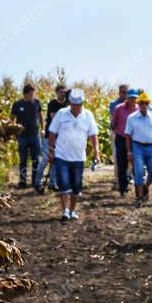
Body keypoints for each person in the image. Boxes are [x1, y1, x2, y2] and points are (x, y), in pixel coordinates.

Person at [47, 89, 101, 221]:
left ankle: (72, 210)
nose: (76, 107)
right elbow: (52, 132)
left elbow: (93, 135)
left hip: (78, 157)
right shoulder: (61, 114)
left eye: (78, 105)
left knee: (76, 186)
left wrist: (96, 153)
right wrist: (51, 149)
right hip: (61, 156)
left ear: (82, 103)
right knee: (64, 184)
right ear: (69, 103)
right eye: (73, 104)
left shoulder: (88, 116)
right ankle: (65, 211)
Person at [124, 92, 152, 205]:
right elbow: (128, 136)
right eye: (141, 103)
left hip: (151, 146)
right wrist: (129, 151)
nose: (143, 105)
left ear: (148, 104)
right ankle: (140, 197)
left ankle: (146, 187)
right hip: (137, 146)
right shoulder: (131, 118)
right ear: (138, 104)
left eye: (146, 103)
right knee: (139, 171)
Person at [34, 84, 68, 193]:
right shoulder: (52, 104)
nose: (62, 94)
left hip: (61, 137)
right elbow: (55, 119)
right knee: (45, 159)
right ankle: (37, 182)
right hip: (50, 136)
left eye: (64, 92)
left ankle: (52, 183)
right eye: (60, 92)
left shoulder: (67, 105)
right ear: (57, 93)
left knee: (56, 161)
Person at [9, 83, 43, 189]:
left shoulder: (37, 103)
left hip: (35, 136)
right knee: (23, 160)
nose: (33, 95)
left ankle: (35, 181)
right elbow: (11, 119)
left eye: (34, 93)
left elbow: (40, 116)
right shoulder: (17, 104)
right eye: (32, 93)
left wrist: (43, 129)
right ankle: (23, 181)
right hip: (22, 136)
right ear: (26, 93)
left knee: (36, 159)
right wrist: (11, 130)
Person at [110, 89, 139, 196]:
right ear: (127, 97)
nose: (132, 100)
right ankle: (123, 188)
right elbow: (113, 123)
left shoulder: (138, 109)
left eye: (134, 98)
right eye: (130, 97)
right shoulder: (119, 108)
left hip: (135, 139)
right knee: (122, 164)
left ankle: (138, 187)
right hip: (121, 138)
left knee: (136, 164)